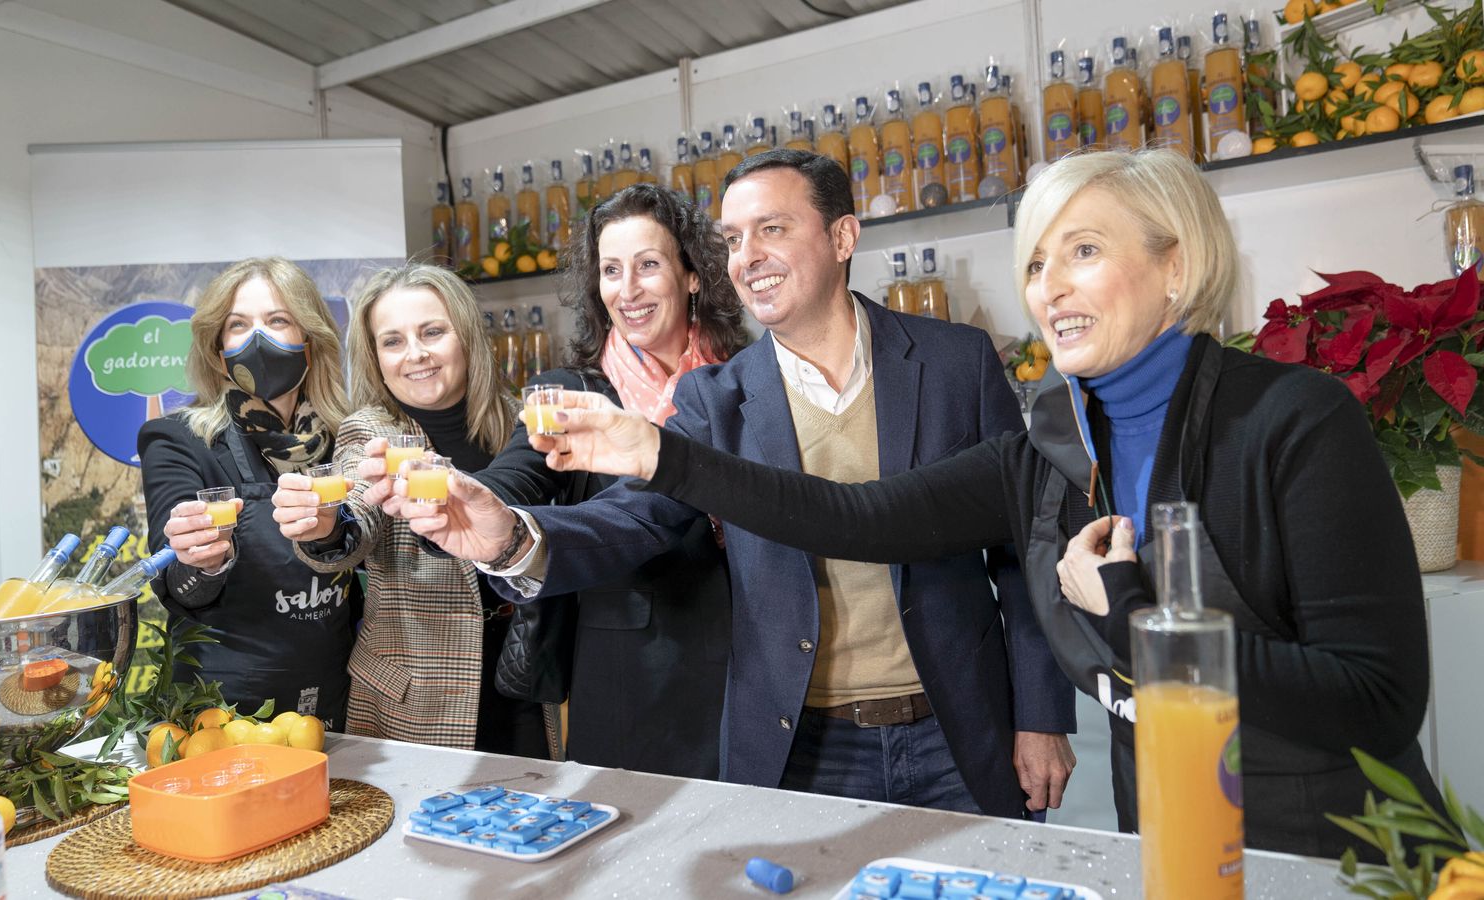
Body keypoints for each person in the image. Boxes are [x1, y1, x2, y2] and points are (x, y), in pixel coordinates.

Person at [500, 148, 1445, 860]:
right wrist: (653, 452)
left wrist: (1133, 623)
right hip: (1162, 828)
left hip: (1330, 849)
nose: (1049, 287)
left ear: (1177, 263)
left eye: (1082, 250)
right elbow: (854, 518)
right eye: (1036, 263)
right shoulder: (1052, 447)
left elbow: (1378, 698)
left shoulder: (1293, 418)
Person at [402, 149, 1077, 818]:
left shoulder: (956, 362)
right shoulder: (715, 397)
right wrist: (511, 537)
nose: (746, 256)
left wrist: (1042, 715)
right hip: (805, 742)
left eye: (772, 229)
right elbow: (635, 517)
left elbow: (1022, 553)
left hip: (960, 728)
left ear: (842, 236)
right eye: (732, 239)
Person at [464, 183, 746, 777]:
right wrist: (472, 497)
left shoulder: (747, 380)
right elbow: (516, 475)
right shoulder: (574, 392)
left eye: (648, 265)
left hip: (753, 660)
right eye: (611, 270)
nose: (629, 290)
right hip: (631, 676)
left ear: (693, 275)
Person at [270, 263, 547, 758]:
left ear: (465, 336)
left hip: (518, 675)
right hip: (415, 697)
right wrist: (328, 528)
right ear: (375, 358)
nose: (415, 354)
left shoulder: (516, 421)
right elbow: (358, 511)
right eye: (393, 341)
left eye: (432, 332)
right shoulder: (370, 432)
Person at [139, 257, 359, 730]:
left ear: (310, 340)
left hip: (337, 696)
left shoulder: (349, 438)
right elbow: (177, 579)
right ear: (218, 351)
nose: (258, 339)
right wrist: (199, 558)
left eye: (278, 320)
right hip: (223, 707)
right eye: (238, 325)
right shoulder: (177, 439)